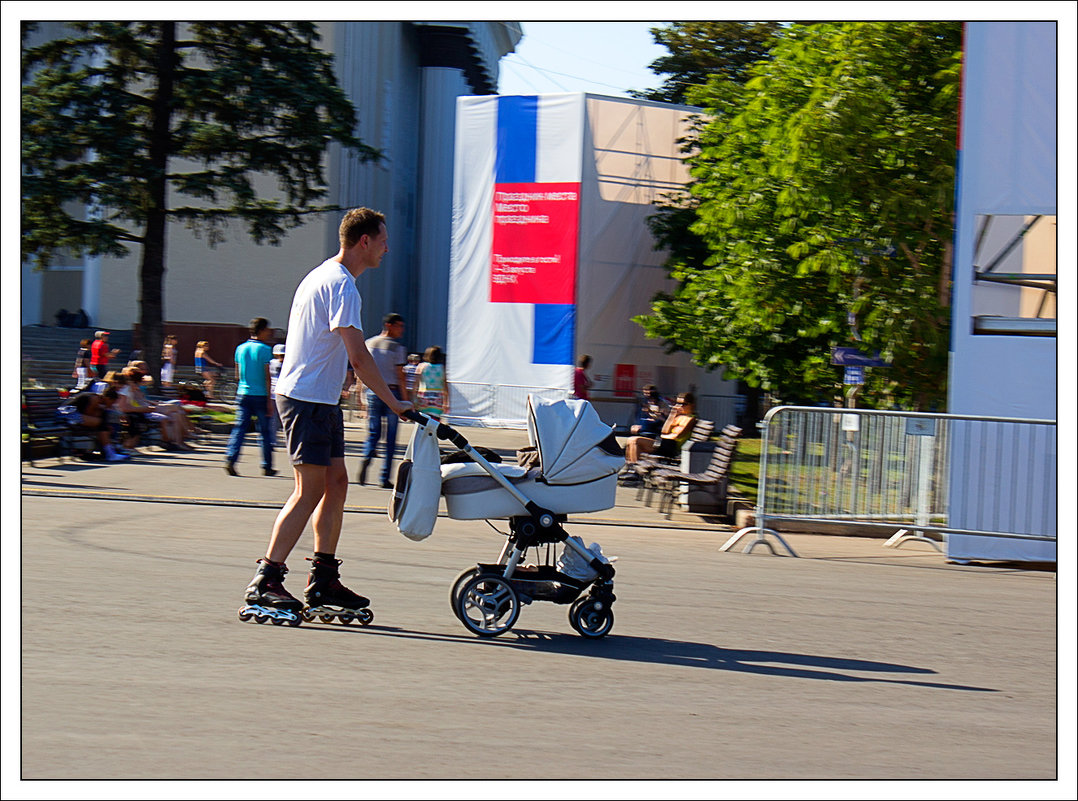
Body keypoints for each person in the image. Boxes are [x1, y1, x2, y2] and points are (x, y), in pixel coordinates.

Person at [240, 207, 411, 626]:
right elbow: (358, 354)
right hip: (306, 399)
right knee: (310, 489)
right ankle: (266, 579)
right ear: (364, 241)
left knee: (336, 483)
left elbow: (340, 354)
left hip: (319, 399)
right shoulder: (341, 286)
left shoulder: (325, 277)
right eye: (383, 239)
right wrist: (394, 402)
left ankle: (323, 578)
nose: (388, 247)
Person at [357, 312, 407, 488]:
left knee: (373, 432)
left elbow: (361, 369)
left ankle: (366, 458)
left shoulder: (369, 343)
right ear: (389, 326)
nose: (402, 330)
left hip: (372, 391)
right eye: (399, 326)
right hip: (392, 392)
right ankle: (384, 476)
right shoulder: (397, 348)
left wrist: (360, 395)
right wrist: (405, 401)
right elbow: (400, 376)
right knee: (391, 437)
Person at [224, 317, 277, 477]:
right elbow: (267, 377)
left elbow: (237, 373)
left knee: (239, 428)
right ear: (261, 331)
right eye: (267, 330)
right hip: (260, 394)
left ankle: (231, 458)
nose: (269, 333)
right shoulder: (265, 350)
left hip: (243, 392)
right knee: (265, 432)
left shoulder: (240, 348)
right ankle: (267, 465)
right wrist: (269, 400)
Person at [117, 363, 195, 452]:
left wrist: (153, 404)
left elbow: (143, 399)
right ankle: (187, 433)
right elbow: (128, 406)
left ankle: (179, 442)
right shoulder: (128, 389)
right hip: (143, 410)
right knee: (175, 407)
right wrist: (147, 407)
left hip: (146, 408)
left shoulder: (134, 389)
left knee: (176, 414)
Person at [623, 391, 697, 465]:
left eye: (683, 404)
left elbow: (676, 436)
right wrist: (672, 415)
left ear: (692, 405)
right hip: (664, 443)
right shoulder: (678, 417)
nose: (679, 406)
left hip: (671, 447)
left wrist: (665, 436)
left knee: (635, 440)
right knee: (631, 441)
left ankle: (634, 468)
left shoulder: (690, 419)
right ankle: (634, 468)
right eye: (677, 403)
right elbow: (664, 431)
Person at [70, 387, 129, 461]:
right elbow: (88, 413)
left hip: (77, 415)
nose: (111, 405)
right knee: (101, 424)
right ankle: (110, 453)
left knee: (103, 424)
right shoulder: (94, 399)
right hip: (68, 413)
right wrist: (100, 411)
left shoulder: (99, 403)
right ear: (107, 398)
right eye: (112, 402)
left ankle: (110, 452)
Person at [415, 345, 448, 419]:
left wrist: (414, 398)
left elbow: (416, 384)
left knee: (422, 419)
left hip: (423, 395)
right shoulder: (442, 368)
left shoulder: (421, 366)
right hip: (438, 397)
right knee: (435, 420)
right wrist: (446, 402)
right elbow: (445, 386)